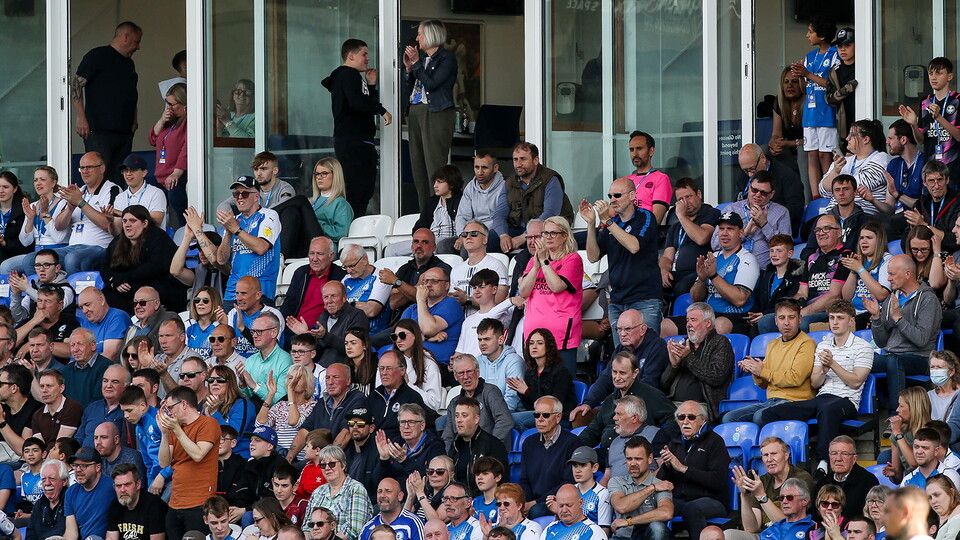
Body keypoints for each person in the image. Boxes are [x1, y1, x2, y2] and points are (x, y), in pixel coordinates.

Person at [762, 299, 873, 468]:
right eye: (832, 318)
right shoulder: (823, 345)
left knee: (828, 409)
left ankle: (823, 462)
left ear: (851, 321)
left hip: (847, 401)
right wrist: (824, 370)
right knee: (770, 413)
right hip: (822, 398)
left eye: (840, 318)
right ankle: (781, 460)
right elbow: (815, 383)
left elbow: (856, 381)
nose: (835, 322)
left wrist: (833, 364)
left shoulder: (863, 347)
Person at [580, 176, 663, 339]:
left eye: (617, 195)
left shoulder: (645, 217)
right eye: (610, 196)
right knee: (621, 352)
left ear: (632, 195)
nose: (612, 200)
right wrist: (590, 224)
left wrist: (607, 220)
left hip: (645, 299)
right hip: (617, 300)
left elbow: (634, 246)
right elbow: (593, 256)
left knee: (647, 349)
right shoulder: (612, 223)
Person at [324, 38, 392, 216]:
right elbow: (357, 102)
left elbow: (362, 103)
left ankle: (354, 227)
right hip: (354, 142)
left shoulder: (350, 77)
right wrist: (382, 110)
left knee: (362, 192)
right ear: (351, 56)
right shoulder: (348, 75)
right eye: (364, 54)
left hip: (358, 141)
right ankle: (351, 229)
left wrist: (371, 86)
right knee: (357, 192)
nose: (368, 58)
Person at [724, 300, 816, 424]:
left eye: (791, 317)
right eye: (782, 318)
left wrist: (762, 371)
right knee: (729, 418)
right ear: (776, 321)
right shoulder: (772, 344)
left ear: (799, 319)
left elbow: (795, 378)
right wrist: (755, 370)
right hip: (771, 401)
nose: (786, 322)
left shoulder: (806, 343)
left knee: (760, 416)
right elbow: (764, 384)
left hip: (795, 402)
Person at [866, 255, 942, 406]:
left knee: (895, 360)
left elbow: (921, 339)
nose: (888, 278)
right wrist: (876, 317)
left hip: (920, 357)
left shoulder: (928, 299)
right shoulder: (891, 299)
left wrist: (898, 318)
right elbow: (881, 343)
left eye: (892, 274)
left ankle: (896, 413)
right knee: (860, 358)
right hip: (891, 356)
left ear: (907, 274)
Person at [73, 22, 142, 183]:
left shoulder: (129, 64)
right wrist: (80, 117)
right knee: (98, 175)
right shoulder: (97, 56)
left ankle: (115, 200)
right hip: (99, 130)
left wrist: (134, 120)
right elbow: (76, 85)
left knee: (120, 176)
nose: (138, 47)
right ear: (126, 37)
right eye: (136, 41)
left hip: (124, 131)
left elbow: (132, 93)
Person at [36, 152, 121, 275]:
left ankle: (72, 288)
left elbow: (107, 224)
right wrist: (70, 208)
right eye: (82, 168)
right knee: (34, 259)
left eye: (89, 167)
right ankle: (46, 288)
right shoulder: (80, 191)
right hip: (72, 247)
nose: (85, 171)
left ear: (102, 168)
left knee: (72, 258)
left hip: (99, 246)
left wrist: (81, 203)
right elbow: (59, 226)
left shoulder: (112, 190)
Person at [517, 216, 582, 375]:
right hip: (534, 337)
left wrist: (544, 262)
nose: (548, 237)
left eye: (554, 233)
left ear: (565, 235)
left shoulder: (572, 259)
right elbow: (523, 291)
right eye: (545, 233)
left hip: (561, 337)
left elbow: (556, 286)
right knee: (535, 383)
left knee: (562, 383)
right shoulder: (534, 261)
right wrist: (536, 266)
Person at [656, 401, 730, 540]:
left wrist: (684, 469)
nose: (685, 422)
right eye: (681, 417)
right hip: (680, 500)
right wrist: (667, 466)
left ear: (703, 420)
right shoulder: (674, 443)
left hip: (712, 500)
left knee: (692, 508)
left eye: (691, 417)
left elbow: (717, 481)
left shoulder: (715, 441)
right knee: (656, 506)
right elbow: (662, 481)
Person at [403, 20, 457, 210]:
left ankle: (439, 212)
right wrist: (409, 70)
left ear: (431, 35)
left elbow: (432, 84)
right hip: (416, 110)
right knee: (418, 166)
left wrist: (417, 64)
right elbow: (413, 89)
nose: (417, 38)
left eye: (420, 34)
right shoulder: (423, 60)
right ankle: (425, 213)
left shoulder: (446, 59)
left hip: (436, 113)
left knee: (434, 166)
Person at [157, 386, 222, 539]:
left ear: (184, 404)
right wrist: (165, 434)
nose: (169, 413)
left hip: (199, 502)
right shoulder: (175, 429)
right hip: (175, 502)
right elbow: (164, 463)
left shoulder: (208, 423)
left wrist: (176, 430)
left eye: (170, 408)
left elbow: (198, 454)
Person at [578, 354, 675, 454]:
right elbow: (593, 431)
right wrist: (574, 447)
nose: (617, 377)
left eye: (622, 373)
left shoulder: (651, 395)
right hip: (605, 453)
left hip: (633, 456)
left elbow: (674, 418)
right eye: (614, 372)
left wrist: (657, 444)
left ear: (635, 373)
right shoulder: (610, 400)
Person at [102, 205, 187, 312]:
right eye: (124, 221)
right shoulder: (118, 241)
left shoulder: (158, 237)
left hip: (160, 288)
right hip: (128, 288)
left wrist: (123, 278)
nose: (127, 224)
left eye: (133, 221)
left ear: (145, 223)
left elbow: (155, 266)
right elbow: (104, 266)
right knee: (103, 298)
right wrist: (114, 282)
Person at [728, 437, 815, 540]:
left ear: (786, 455)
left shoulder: (801, 479)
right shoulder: (762, 481)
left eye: (774, 454)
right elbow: (751, 528)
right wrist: (744, 495)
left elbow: (788, 524)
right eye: (765, 455)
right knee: (729, 534)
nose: (769, 459)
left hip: (791, 534)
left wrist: (761, 496)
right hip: (765, 535)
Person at [661, 302, 735, 422]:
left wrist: (688, 357)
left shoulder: (720, 342)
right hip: (673, 404)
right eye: (687, 320)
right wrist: (673, 366)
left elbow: (716, 377)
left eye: (693, 320)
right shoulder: (684, 345)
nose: (688, 324)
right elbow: (663, 385)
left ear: (708, 323)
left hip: (702, 407)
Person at [790, 16, 839, 192]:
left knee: (825, 156)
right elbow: (805, 89)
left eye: (810, 32)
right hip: (810, 115)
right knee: (811, 155)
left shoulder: (835, 54)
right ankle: (815, 196)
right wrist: (800, 76)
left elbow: (833, 85)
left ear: (822, 35)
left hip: (827, 113)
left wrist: (807, 74)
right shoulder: (809, 57)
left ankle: (828, 194)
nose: (807, 35)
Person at [217, 175, 283, 303]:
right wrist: (229, 233)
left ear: (257, 196)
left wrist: (236, 229)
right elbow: (221, 259)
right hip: (233, 291)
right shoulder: (235, 221)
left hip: (259, 290)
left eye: (245, 194)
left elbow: (261, 247)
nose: (240, 197)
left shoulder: (268, 215)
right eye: (236, 194)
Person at [519, 395, 581, 518]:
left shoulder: (572, 443)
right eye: (537, 415)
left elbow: (568, 482)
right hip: (532, 501)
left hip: (558, 501)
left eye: (545, 415)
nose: (540, 419)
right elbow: (524, 480)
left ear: (558, 417)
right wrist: (525, 503)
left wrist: (534, 503)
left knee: (535, 511)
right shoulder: (529, 442)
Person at [899, 57, 960, 184]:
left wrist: (939, 118)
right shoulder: (925, 101)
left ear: (950, 76)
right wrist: (914, 125)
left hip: (953, 167)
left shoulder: (957, 100)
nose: (933, 77)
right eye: (931, 73)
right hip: (930, 168)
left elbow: (959, 136)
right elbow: (921, 140)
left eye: (939, 73)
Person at [716, 170, 793, 269]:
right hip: (731, 268)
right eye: (754, 190)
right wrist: (744, 233)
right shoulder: (732, 209)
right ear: (748, 188)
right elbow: (715, 245)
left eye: (763, 193)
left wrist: (764, 224)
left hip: (764, 270)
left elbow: (786, 247)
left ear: (772, 194)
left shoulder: (781, 212)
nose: (757, 195)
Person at [504, 143, 575, 249]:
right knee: (489, 239)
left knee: (533, 243)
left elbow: (550, 214)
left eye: (523, 159)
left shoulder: (550, 179)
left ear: (536, 160)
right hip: (519, 230)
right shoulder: (509, 182)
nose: (518, 164)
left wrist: (525, 236)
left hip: (548, 231)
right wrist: (503, 236)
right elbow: (500, 213)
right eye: (515, 159)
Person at [1, 166, 69, 277]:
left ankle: (36, 286)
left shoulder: (63, 204)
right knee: (6, 266)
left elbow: (59, 238)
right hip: (37, 253)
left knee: (29, 261)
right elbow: (25, 242)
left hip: (56, 251)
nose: (38, 183)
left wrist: (46, 213)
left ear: (53, 182)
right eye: (35, 180)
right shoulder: (33, 205)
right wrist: (30, 219)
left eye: (42, 179)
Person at [659, 178, 721, 298]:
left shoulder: (711, 213)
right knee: (649, 283)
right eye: (680, 200)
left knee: (682, 287)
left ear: (699, 194)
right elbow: (667, 257)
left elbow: (702, 238)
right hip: (676, 273)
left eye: (688, 197)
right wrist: (664, 270)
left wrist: (681, 216)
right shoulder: (675, 227)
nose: (685, 202)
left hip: (699, 272)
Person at [289, 363, 367, 458]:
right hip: (318, 459)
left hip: (341, 460)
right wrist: (289, 458)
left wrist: (326, 460)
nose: (330, 382)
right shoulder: (322, 402)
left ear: (348, 380)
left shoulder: (357, 399)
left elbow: (346, 433)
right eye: (327, 378)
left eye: (335, 377)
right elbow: (305, 431)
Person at [818, 120, 891, 215]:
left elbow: (860, 185)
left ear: (865, 139)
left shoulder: (881, 158)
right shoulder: (844, 161)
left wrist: (836, 187)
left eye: (852, 135)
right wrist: (836, 171)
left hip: (864, 214)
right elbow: (823, 191)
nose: (847, 138)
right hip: (834, 214)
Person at [509, 329, 576, 431]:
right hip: (538, 415)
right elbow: (530, 407)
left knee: (513, 419)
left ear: (548, 347)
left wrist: (527, 392)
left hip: (558, 418)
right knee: (505, 417)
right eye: (531, 343)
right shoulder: (530, 372)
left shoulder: (560, 371)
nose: (534, 347)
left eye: (539, 343)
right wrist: (521, 392)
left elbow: (554, 406)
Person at [377, 228, 452, 320]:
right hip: (403, 320)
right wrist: (415, 288)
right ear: (412, 245)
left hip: (431, 319)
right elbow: (393, 303)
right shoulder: (404, 269)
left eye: (425, 242)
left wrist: (397, 282)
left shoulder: (440, 268)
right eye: (416, 241)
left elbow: (427, 297)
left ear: (434, 247)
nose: (419, 245)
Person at [607, 436, 673, 540]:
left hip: (649, 536)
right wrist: (652, 488)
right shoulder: (616, 481)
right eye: (629, 459)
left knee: (657, 528)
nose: (633, 463)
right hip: (623, 537)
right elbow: (621, 506)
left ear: (650, 459)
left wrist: (629, 521)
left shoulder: (661, 484)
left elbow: (666, 513)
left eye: (638, 459)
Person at [441, 355, 513, 450]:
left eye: (469, 371)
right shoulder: (454, 402)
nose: (466, 377)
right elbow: (448, 436)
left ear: (478, 372)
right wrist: (447, 456)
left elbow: (505, 421)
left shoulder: (490, 392)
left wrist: (488, 447)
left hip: (488, 453)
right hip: (463, 452)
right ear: (455, 376)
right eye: (461, 373)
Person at [303, 445, 374, 538]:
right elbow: (306, 527)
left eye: (332, 464)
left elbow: (354, 529)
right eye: (323, 465)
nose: (327, 468)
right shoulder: (317, 492)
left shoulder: (356, 489)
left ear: (343, 465)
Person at [401, 267, 464, 370]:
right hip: (411, 363)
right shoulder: (412, 309)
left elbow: (428, 329)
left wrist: (421, 300)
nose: (428, 285)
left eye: (434, 281)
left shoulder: (451, 304)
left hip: (438, 366)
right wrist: (428, 338)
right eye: (425, 281)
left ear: (447, 285)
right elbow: (401, 337)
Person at [373, 403, 445, 490]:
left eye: (411, 422)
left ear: (422, 425)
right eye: (402, 422)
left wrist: (405, 461)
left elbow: (430, 480)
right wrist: (384, 459)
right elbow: (377, 483)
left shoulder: (435, 446)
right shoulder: (395, 444)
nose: (406, 426)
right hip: (396, 496)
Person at [279, 237, 346, 329]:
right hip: (294, 328)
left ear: (331, 256)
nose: (314, 259)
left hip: (322, 330)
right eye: (311, 253)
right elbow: (289, 304)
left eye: (320, 254)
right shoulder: (301, 273)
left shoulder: (340, 276)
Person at [451, 151, 510, 254]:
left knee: (467, 249)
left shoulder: (504, 187)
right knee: (443, 246)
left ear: (495, 168)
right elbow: (462, 216)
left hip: (493, 231)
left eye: (484, 168)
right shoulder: (470, 187)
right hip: (471, 232)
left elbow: (500, 218)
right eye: (476, 167)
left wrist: (474, 234)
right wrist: (462, 235)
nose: (480, 172)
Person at [447, 396, 509, 492]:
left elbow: (501, 481)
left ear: (476, 419)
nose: (459, 420)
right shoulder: (455, 445)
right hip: (457, 497)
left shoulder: (493, 445)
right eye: (457, 415)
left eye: (464, 415)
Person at [448, 220, 508, 315]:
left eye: (474, 233)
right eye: (464, 234)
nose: (468, 237)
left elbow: (499, 300)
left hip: (488, 320)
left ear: (485, 239)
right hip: (462, 321)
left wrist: (468, 300)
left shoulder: (496, 265)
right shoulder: (456, 270)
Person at [746, 238, 806, 332]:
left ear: (790, 253)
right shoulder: (767, 273)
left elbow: (790, 302)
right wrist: (754, 314)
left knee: (762, 324)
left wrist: (764, 314)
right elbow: (759, 297)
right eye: (771, 251)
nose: (774, 254)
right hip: (764, 315)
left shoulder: (796, 276)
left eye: (779, 251)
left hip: (782, 317)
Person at [257, 363, 317, 459]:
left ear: (307, 384)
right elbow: (260, 425)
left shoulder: (312, 406)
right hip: (277, 455)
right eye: (290, 378)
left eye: (298, 378)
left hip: (298, 458)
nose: (293, 381)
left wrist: (290, 392)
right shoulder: (280, 405)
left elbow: (294, 422)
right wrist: (270, 394)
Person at [735, 145, 804, 227]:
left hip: (775, 225)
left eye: (752, 169)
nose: (750, 174)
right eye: (745, 170)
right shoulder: (742, 175)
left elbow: (796, 209)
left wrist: (766, 213)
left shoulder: (786, 175)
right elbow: (737, 201)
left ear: (763, 158)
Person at [840, 222, 892, 329]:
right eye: (861, 238)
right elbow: (846, 297)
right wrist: (853, 272)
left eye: (869, 237)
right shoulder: (860, 261)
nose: (864, 241)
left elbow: (882, 295)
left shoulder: (887, 260)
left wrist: (860, 269)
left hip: (874, 313)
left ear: (879, 240)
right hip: (853, 311)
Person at [814, 436, 880, 520]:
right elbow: (815, 515)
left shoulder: (868, 481)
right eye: (834, 453)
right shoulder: (823, 482)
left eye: (845, 454)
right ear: (829, 456)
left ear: (854, 459)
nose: (838, 459)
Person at [148, 82, 188, 220]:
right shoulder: (170, 122)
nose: (169, 108)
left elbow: (186, 149)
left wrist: (176, 173)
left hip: (176, 176)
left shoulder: (188, 123)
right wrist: (161, 121)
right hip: (160, 175)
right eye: (167, 103)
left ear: (184, 105)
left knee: (180, 213)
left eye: (172, 104)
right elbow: (152, 140)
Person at [368, 350, 429, 440]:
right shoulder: (373, 397)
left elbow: (415, 434)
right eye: (381, 368)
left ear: (402, 370)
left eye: (389, 368)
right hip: (373, 445)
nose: (384, 373)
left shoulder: (412, 398)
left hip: (397, 446)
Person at [237, 312, 293, 406]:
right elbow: (244, 399)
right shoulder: (250, 360)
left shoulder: (286, 361)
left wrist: (255, 386)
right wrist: (243, 384)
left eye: (259, 331)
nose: (254, 336)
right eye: (253, 331)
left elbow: (281, 401)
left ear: (274, 333)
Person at [171, 208, 228, 299]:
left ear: (218, 248)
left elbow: (214, 259)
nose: (201, 253)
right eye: (199, 249)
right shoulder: (199, 272)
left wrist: (197, 229)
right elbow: (175, 271)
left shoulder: (226, 269)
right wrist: (187, 238)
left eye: (204, 249)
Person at [406, 166, 464, 254]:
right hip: (427, 239)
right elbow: (420, 225)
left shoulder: (462, 200)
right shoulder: (431, 202)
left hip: (448, 239)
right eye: (435, 182)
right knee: (391, 250)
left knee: (437, 245)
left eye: (439, 182)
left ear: (451, 184)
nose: (435, 186)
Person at [104, 462, 167, 540]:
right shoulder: (115, 505)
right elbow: (111, 537)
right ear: (114, 487)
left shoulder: (154, 505)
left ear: (138, 484)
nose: (122, 490)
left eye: (127, 484)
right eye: (118, 486)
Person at [63, 446, 115, 540]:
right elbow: (71, 532)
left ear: (98, 467)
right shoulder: (71, 492)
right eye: (75, 465)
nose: (78, 470)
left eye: (84, 465)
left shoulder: (113, 487)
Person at [885, 387, 934, 484]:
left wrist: (898, 434)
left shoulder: (932, 432)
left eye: (901, 406)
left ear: (914, 408)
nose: (897, 410)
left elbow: (914, 464)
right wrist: (893, 474)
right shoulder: (897, 434)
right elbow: (898, 478)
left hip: (931, 484)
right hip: (910, 486)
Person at [75, 363, 130, 448]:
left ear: (126, 387)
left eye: (115, 382)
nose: (108, 385)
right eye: (105, 381)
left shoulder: (129, 411)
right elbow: (79, 439)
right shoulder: (91, 408)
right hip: (84, 455)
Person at [341, 245, 393, 334]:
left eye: (352, 266)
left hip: (371, 334)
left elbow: (371, 310)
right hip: (347, 332)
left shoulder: (381, 278)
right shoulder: (346, 279)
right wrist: (361, 305)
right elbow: (336, 307)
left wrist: (350, 304)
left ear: (364, 260)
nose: (349, 271)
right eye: (345, 267)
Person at [622, 131, 672, 224]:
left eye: (639, 148)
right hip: (621, 228)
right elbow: (612, 212)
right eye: (631, 150)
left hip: (643, 230)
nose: (635, 154)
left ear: (651, 151)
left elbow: (655, 220)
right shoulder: (626, 180)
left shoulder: (661, 179)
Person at [24, 369, 83, 444]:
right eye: (42, 386)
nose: (44, 390)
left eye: (49, 386)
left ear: (61, 388)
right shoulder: (37, 415)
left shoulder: (72, 408)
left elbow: (60, 445)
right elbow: (38, 446)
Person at [768, 67, 805, 177]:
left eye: (795, 81)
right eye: (786, 82)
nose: (790, 85)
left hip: (809, 152)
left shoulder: (809, 102)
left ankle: (805, 189)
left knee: (802, 150)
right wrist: (774, 143)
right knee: (765, 150)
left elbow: (814, 140)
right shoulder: (779, 102)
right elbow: (776, 134)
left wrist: (789, 144)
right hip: (789, 152)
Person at [359, 478, 424, 540]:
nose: (383, 495)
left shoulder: (413, 523)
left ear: (400, 496)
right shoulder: (367, 528)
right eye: (379, 491)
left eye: (388, 491)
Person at [113, 153, 167, 227]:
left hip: (150, 235)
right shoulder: (119, 197)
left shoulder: (156, 193)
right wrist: (110, 221)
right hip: (127, 235)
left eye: (133, 170)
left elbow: (156, 223)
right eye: (125, 170)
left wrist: (122, 214)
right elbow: (117, 231)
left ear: (144, 173)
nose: (128, 174)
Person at [0, 365, 42, 458]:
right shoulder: (3, 408)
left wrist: (1, 422)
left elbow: (24, 449)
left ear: (14, 388)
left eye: (0, 385)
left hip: (20, 463)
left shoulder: (35, 410)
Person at [309, 158, 354, 244]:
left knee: (299, 201)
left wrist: (315, 223)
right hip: (307, 242)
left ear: (335, 175)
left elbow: (341, 233)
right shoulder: (310, 202)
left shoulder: (340, 203)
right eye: (317, 174)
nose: (319, 177)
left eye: (324, 173)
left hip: (326, 246)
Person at [539, 484, 606, 540]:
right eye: (561, 506)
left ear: (580, 503)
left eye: (569, 505)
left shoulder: (594, 532)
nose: (564, 510)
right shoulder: (550, 528)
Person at [885, 120, 926, 212]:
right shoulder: (893, 164)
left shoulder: (925, 163)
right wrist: (872, 199)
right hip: (896, 218)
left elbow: (925, 206)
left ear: (903, 140)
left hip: (917, 217)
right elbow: (889, 206)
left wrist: (897, 195)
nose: (887, 142)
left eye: (890, 138)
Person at [26, 459, 69, 540]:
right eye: (43, 479)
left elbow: (62, 530)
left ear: (64, 481)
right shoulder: (39, 504)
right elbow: (30, 533)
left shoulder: (70, 501)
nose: (47, 483)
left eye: (52, 479)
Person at [185, 286, 222, 357]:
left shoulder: (219, 326)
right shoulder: (188, 325)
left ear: (214, 303)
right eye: (197, 300)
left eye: (205, 301)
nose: (200, 303)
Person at [925, 475, 960, 540]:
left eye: (937, 495)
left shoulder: (957, 519)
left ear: (951, 492)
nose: (933, 501)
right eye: (929, 497)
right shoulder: (934, 518)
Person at [344, 328, 377, 396]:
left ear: (365, 345)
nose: (348, 347)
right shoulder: (345, 368)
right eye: (346, 343)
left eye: (353, 343)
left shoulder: (377, 367)